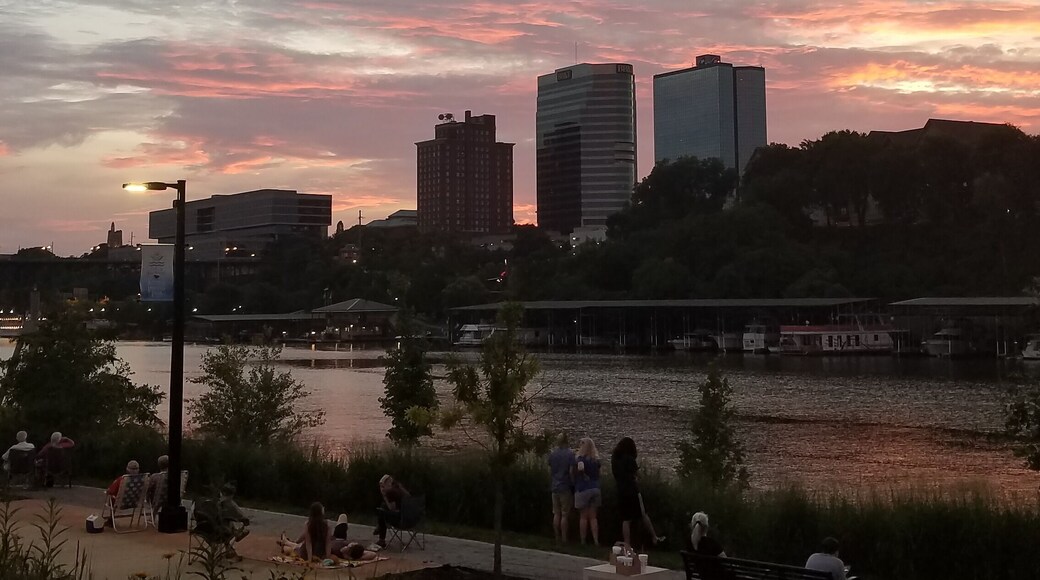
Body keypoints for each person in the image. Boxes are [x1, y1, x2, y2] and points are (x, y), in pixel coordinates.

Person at [611, 437, 664, 549]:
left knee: (626, 519)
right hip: (632, 491)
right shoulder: (630, 459)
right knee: (643, 514)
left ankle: (627, 543)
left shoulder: (615, 460)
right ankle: (654, 537)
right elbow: (637, 475)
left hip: (621, 491)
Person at [193, 484, 251, 558]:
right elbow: (243, 518)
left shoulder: (202, 504)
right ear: (232, 494)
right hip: (219, 532)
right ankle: (235, 534)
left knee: (222, 521)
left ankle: (229, 549)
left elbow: (194, 517)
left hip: (202, 531)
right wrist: (245, 521)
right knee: (227, 522)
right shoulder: (229, 503)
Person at [572, 437, 602, 545]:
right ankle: (596, 540)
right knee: (593, 517)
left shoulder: (580, 458)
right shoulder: (596, 460)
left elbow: (580, 468)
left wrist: (583, 475)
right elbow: (599, 475)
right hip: (595, 488)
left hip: (583, 488)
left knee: (583, 517)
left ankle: (583, 541)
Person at [548, 433, 575, 543]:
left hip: (554, 486)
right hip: (565, 486)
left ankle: (556, 537)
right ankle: (564, 538)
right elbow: (571, 471)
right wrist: (573, 483)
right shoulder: (570, 454)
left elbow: (550, 471)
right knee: (564, 514)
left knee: (556, 513)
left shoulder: (553, 454)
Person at [374, 474, 409, 548]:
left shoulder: (390, 492)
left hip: (401, 520)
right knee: (383, 505)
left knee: (381, 512)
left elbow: (392, 508)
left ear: (388, 484)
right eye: (380, 487)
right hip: (411, 518)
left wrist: (384, 496)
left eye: (383, 486)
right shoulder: (399, 488)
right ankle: (379, 527)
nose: (381, 489)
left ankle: (381, 540)